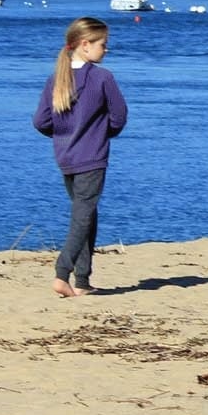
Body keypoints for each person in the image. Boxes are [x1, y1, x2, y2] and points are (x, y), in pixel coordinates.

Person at [31, 18, 128, 298]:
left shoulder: (56, 79)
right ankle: (63, 273)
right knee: (82, 216)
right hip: (91, 157)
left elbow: (41, 121)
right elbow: (119, 117)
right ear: (85, 45)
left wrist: (64, 134)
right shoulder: (102, 78)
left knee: (86, 213)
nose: (106, 50)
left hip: (66, 156)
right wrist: (99, 134)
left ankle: (83, 279)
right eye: (102, 45)